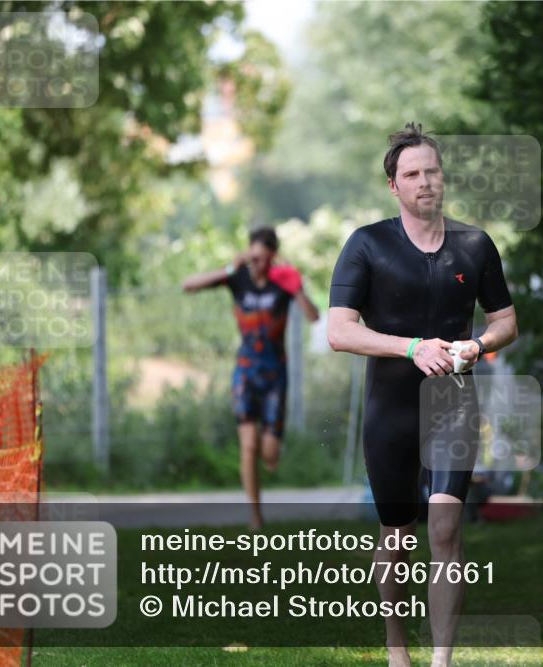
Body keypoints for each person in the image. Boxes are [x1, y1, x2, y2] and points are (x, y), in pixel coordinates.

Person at [327, 123, 518, 667]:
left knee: (446, 527)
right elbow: (340, 331)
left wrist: (476, 346)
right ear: (395, 186)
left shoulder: (475, 245)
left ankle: (442, 660)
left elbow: (506, 321)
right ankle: (396, 646)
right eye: (412, 174)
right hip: (390, 411)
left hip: (454, 405)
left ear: (444, 177)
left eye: (432, 171)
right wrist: (411, 348)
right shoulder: (367, 243)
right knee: (398, 535)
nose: (425, 182)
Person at [182, 227, 319, 530]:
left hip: (275, 374)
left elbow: (314, 316)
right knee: (248, 445)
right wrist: (230, 267)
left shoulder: (282, 282)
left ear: (272, 257)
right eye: (253, 257)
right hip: (245, 371)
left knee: (268, 454)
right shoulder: (237, 278)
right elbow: (188, 285)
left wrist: (296, 288)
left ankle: (271, 458)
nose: (257, 265)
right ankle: (255, 515)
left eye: (263, 259)